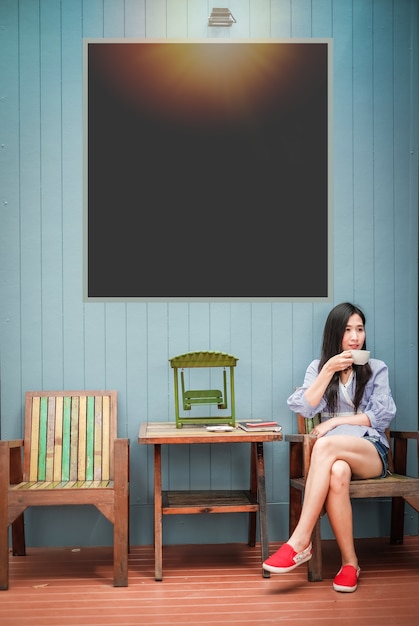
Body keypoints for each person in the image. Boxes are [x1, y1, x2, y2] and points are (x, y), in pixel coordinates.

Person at [263, 302, 396, 592]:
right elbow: (306, 407)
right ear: (334, 333)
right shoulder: (318, 368)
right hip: (339, 459)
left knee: (324, 446)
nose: (355, 336)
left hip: (371, 452)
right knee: (336, 471)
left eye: (359, 329)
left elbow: (381, 416)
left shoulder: (376, 368)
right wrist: (328, 370)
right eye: (348, 329)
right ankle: (350, 564)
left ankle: (299, 541)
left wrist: (334, 424)